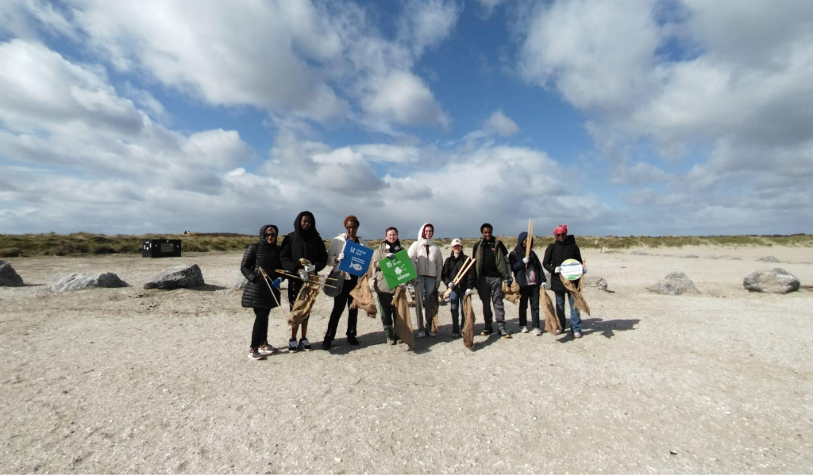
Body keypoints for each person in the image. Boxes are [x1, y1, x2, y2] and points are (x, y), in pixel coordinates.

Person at [280, 211, 328, 352]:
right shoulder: (290, 238)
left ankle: (304, 337)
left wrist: (314, 267)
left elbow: (323, 258)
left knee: (307, 308)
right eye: (304, 221)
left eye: (308, 221)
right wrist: (297, 269)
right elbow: (284, 258)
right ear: (299, 222)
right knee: (295, 308)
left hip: (311, 280)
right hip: (295, 279)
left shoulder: (316, 239)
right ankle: (293, 339)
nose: (306, 223)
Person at [323, 215, 368, 350]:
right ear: (345, 227)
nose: (351, 230)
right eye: (348, 227)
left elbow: (367, 261)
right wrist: (337, 259)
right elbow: (328, 259)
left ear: (357, 227)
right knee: (337, 309)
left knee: (353, 308)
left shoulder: (362, 243)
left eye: (353, 227)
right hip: (341, 279)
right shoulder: (338, 241)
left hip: (355, 280)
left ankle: (351, 334)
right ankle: (329, 337)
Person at [240, 224, 284, 360]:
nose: (270, 237)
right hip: (257, 289)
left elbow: (282, 269)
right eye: (267, 235)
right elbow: (244, 266)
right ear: (262, 236)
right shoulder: (254, 248)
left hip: (271, 289)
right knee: (261, 316)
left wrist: (280, 278)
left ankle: (263, 344)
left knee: (265, 315)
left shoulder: (278, 250)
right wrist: (255, 278)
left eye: (273, 235)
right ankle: (253, 349)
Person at [542, 224, 584, 338]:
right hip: (558, 281)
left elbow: (579, 262)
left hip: (572, 281)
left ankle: (576, 328)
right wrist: (553, 269)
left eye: (563, 234)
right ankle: (561, 326)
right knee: (560, 305)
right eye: (558, 234)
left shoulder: (573, 247)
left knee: (574, 305)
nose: (561, 236)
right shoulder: (551, 247)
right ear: (555, 235)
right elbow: (545, 263)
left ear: (566, 234)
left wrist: (581, 269)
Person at [471, 223, 513, 338]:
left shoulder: (498, 244)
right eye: (485, 232)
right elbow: (473, 264)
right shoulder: (477, 246)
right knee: (486, 303)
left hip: (497, 278)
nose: (488, 234)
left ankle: (501, 326)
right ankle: (488, 325)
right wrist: (474, 280)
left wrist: (508, 277)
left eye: (489, 232)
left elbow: (506, 261)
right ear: (482, 233)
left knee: (498, 302)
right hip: (483, 279)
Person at [369, 227, 405, 345]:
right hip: (383, 285)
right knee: (385, 312)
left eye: (394, 234)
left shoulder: (401, 250)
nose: (392, 237)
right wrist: (386, 260)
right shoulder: (379, 250)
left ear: (397, 235)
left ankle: (398, 334)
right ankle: (389, 335)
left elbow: (405, 266)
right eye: (390, 235)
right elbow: (374, 264)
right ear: (386, 236)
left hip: (397, 286)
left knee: (397, 312)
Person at [407, 223, 444, 338]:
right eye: (426, 231)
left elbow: (439, 265)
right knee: (419, 303)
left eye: (430, 231)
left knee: (429, 303)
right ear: (422, 231)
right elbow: (410, 259)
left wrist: (438, 280)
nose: (428, 233)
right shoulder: (416, 245)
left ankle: (429, 328)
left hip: (431, 279)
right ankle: (420, 329)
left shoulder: (435, 248)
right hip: (419, 278)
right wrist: (413, 276)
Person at [508, 231, 547, 336]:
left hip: (534, 284)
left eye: (529, 240)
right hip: (522, 284)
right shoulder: (514, 253)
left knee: (535, 306)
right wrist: (522, 262)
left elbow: (539, 268)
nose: (527, 242)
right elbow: (511, 267)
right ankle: (523, 324)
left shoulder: (532, 253)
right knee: (523, 305)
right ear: (521, 241)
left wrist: (543, 280)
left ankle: (536, 326)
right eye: (525, 240)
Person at [441, 238, 475, 337]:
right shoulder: (448, 261)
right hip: (453, 289)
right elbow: (444, 275)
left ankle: (464, 329)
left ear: (461, 247)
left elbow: (471, 275)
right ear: (452, 248)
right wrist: (448, 283)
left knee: (464, 310)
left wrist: (469, 287)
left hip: (464, 289)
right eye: (455, 246)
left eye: (458, 246)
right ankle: (455, 330)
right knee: (454, 308)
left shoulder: (466, 259)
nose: (457, 248)